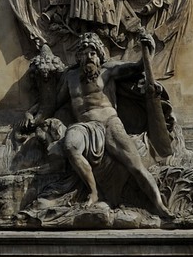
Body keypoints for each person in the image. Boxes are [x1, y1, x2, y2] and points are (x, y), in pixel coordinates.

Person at [48, 34, 172, 219]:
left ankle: (159, 205)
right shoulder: (70, 77)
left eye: (93, 53)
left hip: (110, 124)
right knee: (70, 146)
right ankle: (94, 192)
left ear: (99, 56)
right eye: (85, 53)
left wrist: (150, 50)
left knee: (136, 166)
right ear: (78, 57)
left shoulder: (108, 71)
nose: (89, 57)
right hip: (85, 126)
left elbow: (137, 67)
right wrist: (32, 114)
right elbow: (53, 103)